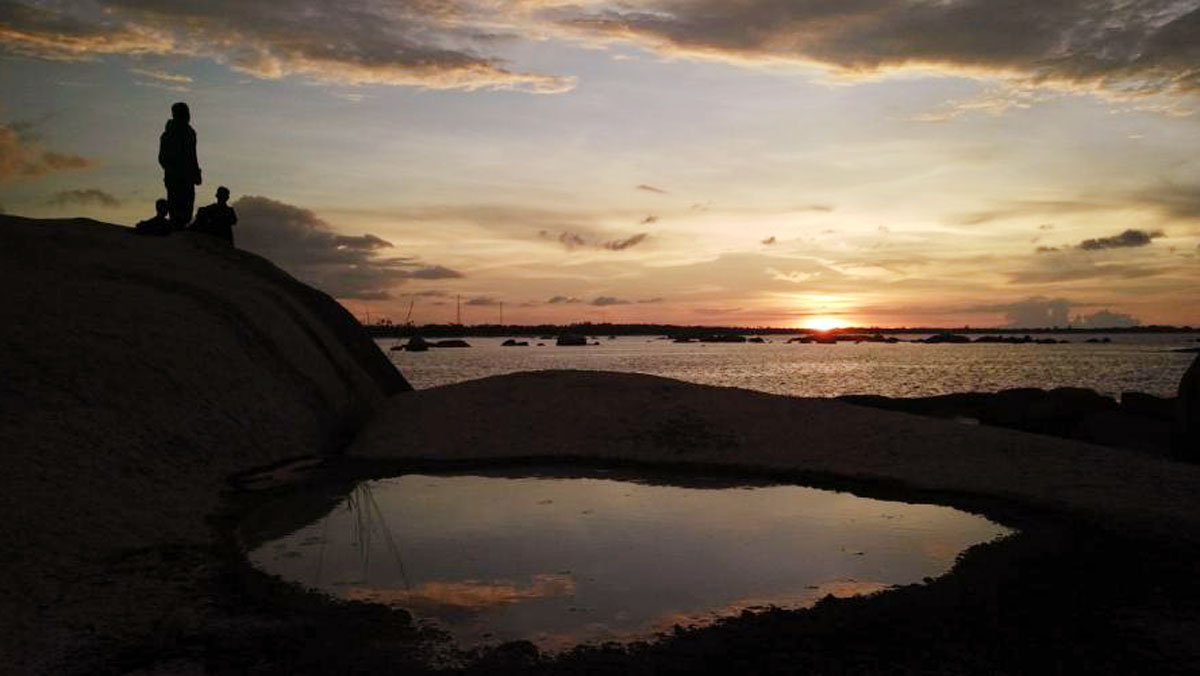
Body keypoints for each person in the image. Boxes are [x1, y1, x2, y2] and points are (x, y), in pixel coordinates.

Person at [158, 102, 201, 228]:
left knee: (187, 205)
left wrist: (196, 173)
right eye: (185, 113)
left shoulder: (190, 133)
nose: (188, 116)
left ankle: (181, 226)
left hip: (188, 176)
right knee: (176, 204)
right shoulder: (168, 134)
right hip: (175, 176)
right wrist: (172, 170)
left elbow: (193, 156)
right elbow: (162, 157)